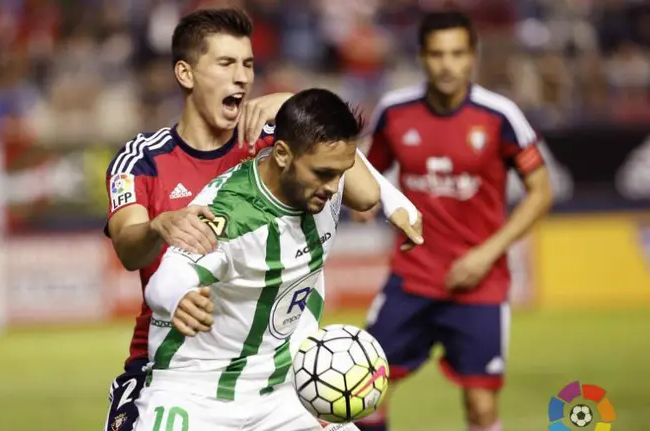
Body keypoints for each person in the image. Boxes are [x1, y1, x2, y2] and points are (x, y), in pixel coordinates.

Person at [103, 8, 421, 431]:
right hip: (178, 360)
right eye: (226, 63)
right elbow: (128, 246)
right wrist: (158, 226)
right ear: (185, 74)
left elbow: (359, 188)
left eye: (249, 64)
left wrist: (296, 102)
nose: (242, 77)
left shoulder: (276, 146)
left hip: (277, 373)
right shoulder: (143, 159)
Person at [353, 11, 554, 431]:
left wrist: (487, 254)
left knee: (481, 408)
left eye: (457, 54)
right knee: (364, 395)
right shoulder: (394, 112)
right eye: (437, 54)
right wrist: (363, 202)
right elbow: (367, 173)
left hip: (479, 284)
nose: (447, 64)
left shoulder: (500, 116)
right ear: (422, 57)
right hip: (411, 280)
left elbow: (541, 192)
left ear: (472, 57)